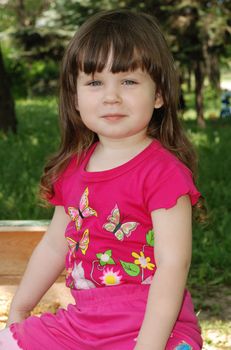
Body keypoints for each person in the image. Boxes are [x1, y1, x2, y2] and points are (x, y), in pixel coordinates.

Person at [0, 9, 205, 350]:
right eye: (95, 82)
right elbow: (54, 245)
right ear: (76, 97)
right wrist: (19, 308)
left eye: (128, 81)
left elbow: (173, 265)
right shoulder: (73, 170)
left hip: (155, 326)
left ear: (159, 95)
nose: (111, 96)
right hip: (85, 324)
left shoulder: (163, 173)